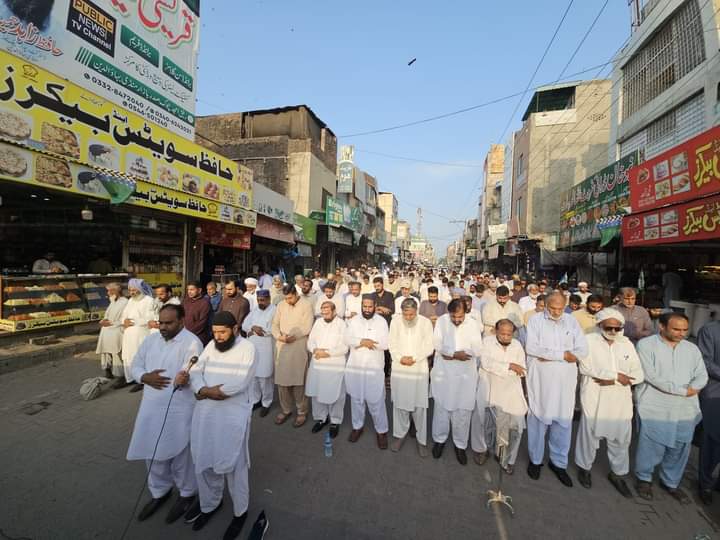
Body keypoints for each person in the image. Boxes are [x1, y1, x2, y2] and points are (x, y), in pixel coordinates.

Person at [126, 304, 203, 524]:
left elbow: (196, 372)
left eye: (169, 323)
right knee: (152, 451)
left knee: (180, 454)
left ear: (181, 321)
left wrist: (186, 378)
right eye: (161, 322)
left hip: (179, 408)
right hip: (150, 407)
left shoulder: (192, 343)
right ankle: (159, 492)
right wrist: (144, 377)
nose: (163, 327)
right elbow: (136, 363)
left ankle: (187, 493)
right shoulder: (151, 340)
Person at [188, 311, 257, 538]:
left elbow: (239, 382)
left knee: (234, 465)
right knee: (204, 458)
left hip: (232, 416)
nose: (218, 336)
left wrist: (211, 391)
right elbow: (196, 370)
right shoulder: (210, 346)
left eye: (222, 332)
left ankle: (240, 513)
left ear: (235, 329)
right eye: (215, 332)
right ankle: (210, 504)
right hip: (206, 413)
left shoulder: (248, 348)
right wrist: (202, 389)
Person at [634, 313, 708, 503]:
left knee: (681, 445)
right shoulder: (646, 345)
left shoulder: (692, 349)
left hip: (686, 407)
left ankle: (671, 482)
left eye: (685, 330)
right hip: (655, 403)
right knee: (651, 443)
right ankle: (644, 478)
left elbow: (702, 374)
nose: (681, 333)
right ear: (662, 327)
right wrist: (684, 391)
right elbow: (650, 376)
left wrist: (696, 387)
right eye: (676, 329)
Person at [574, 308, 644, 497]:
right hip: (595, 395)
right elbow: (586, 367)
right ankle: (584, 468)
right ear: (600, 325)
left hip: (620, 399)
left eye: (617, 328)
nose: (613, 331)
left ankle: (618, 474)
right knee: (589, 433)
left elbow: (638, 374)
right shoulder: (588, 341)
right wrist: (615, 376)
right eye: (609, 327)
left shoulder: (627, 344)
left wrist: (612, 379)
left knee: (621, 437)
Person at [525, 293, 588, 487]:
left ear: (565, 306)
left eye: (560, 308)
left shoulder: (571, 322)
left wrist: (551, 356)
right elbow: (533, 349)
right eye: (552, 308)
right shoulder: (536, 321)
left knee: (563, 421)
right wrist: (563, 355)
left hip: (565, 381)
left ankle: (558, 463)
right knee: (538, 418)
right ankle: (535, 460)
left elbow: (582, 351)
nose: (556, 312)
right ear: (545, 306)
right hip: (542, 380)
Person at [473, 319, 527, 474]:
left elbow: (522, 369)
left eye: (509, 334)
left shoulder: (517, 345)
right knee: (483, 420)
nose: (505, 337)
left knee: (514, 425)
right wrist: (509, 366)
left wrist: (504, 368)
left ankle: (508, 459)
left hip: (511, 391)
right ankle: (482, 450)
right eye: (502, 333)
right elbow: (486, 363)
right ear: (496, 331)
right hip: (490, 387)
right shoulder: (487, 342)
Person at [431, 299, 480, 465]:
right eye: (454, 317)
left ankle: (460, 445)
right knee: (441, 409)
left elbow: (477, 348)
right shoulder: (442, 321)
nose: (457, 320)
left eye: (460, 317)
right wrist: (453, 353)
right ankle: (439, 440)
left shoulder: (473, 324)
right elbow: (436, 343)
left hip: (465, 375)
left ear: (466, 312)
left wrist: (455, 354)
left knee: (462, 412)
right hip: (444, 373)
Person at [344, 295, 390, 449]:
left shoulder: (381, 322)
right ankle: (357, 427)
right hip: (356, 366)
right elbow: (347, 339)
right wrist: (362, 342)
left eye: (370, 307)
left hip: (374, 367)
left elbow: (384, 343)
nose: (367, 309)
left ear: (375, 306)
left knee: (376, 401)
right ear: (361, 306)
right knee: (356, 400)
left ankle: (381, 431)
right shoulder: (354, 321)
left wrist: (366, 342)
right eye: (365, 306)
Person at [389, 299, 434, 456]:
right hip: (400, 367)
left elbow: (429, 346)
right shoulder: (395, 322)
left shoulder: (425, 323)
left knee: (419, 406)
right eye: (405, 314)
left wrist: (413, 358)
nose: (408, 317)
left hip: (418, 368)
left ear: (417, 311)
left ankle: (421, 441)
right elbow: (391, 344)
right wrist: (400, 358)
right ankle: (400, 435)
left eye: (411, 314)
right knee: (400, 404)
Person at [271, 284, 314, 427]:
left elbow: (307, 326)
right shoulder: (281, 305)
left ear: (296, 294)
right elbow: (274, 324)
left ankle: (302, 411)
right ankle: (286, 410)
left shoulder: (306, 305)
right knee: (282, 382)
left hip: (298, 345)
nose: (288, 301)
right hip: (282, 345)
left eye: (290, 297)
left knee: (298, 381)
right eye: (286, 298)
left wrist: (292, 336)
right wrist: (279, 336)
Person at [306, 301, 348, 438]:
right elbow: (310, 341)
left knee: (336, 394)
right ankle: (321, 418)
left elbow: (345, 347)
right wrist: (314, 349)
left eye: (327, 312)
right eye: (323, 312)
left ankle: (335, 421)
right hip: (318, 362)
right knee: (317, 392)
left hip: (334, 364)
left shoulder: (342, 324)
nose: (325, 315)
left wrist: (328, 353)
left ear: (334, 311)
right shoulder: (318, 322)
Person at [241, 290, 276, 417]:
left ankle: (266, 402)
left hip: (266, 346)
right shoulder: (255, 310)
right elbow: (245, 324)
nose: (260, 302)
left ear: (269, 299)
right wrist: (253, 328)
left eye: (263, 300)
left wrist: (259, 330)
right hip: (253, 346)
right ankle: (256, 400)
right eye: (259, 300)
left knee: (265, 377)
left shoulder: (274, 310)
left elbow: (274, 329)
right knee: (254, 376)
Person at [118, 278, 156, 391]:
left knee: (139, 357)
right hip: (128, 334)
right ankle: (129, 378)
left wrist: (133, 321)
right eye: (130, 290)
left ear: (140, 289)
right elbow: (124, 315)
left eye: (134, 290)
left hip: (141, 333)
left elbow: (151, 318)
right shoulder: (131, 300)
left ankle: (142, 380)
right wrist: (124, 321)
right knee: (128, 357)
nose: (132, 292)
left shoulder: (148, 300)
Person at [697, 319, 720, 505]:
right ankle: (705, 483)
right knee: (712, 439)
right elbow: (705, 361)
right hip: (714, 392)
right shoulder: (710, 330)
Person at [95, 282, 127, 379]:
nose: (108, 293)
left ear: (116, 291)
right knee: (105, 351)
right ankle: (107, 369)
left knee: (116, 353)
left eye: (109, 291)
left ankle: (120, 375)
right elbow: (107, 315)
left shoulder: (124, 302)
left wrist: (112, 323)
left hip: (117, 330)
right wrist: (103, 321)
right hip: (107, 330)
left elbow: (125, 319)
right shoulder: (113, 301)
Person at [182, 281, 212, 346]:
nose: (189, 292)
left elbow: (202, 323)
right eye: (188, 290)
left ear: (199, 290)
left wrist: (188, 334)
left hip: (198, 338)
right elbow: (181, 316)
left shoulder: (205, 303)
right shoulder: (186, 301)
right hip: (184, 335)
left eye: (192, 289)